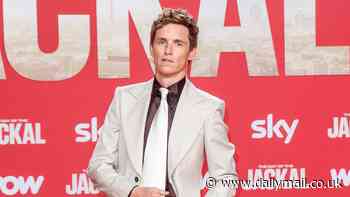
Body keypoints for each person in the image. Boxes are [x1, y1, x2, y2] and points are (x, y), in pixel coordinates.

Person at [88, 8, 237, 197]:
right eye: (162, 42)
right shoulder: (124, 99)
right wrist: (132, 192)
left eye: (178, 43)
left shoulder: (209, 107)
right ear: (152, 48)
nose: (168, 50)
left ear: (192, 52)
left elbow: (225, 177)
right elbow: (98, 165)